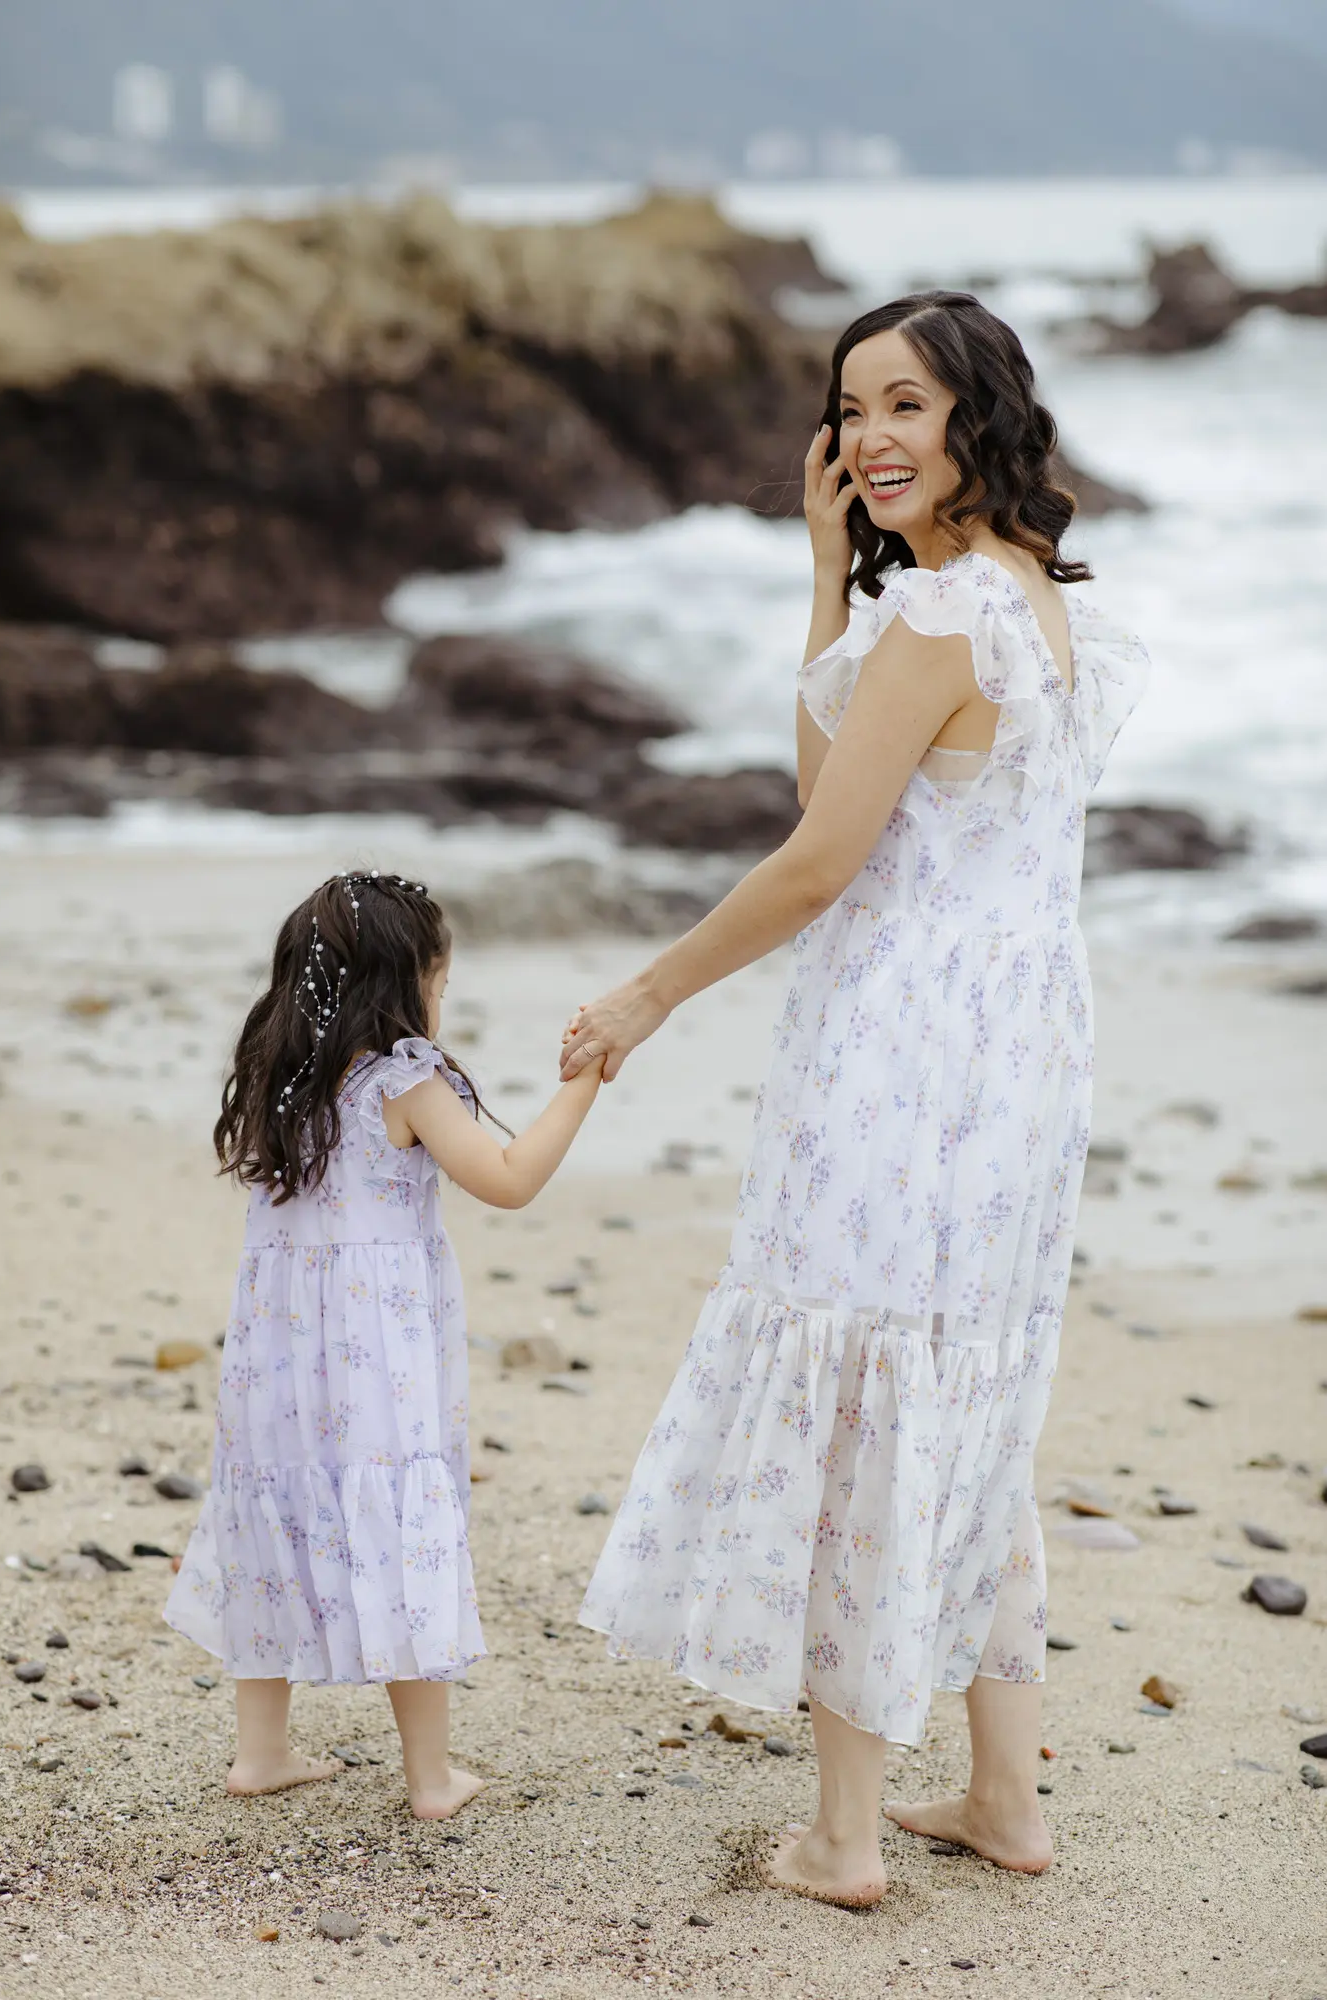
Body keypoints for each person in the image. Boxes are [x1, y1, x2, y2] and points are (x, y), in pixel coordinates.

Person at [561, 292, 1149, 1905]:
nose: (869, 437)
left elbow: (818, 856)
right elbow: (839, 788)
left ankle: (840, 1836)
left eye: (903, 403)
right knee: (964, 1392)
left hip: (903, 1057)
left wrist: (643, 994)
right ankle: (1002, 1802)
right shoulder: (1042, 606)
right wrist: (827, 574)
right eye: (848, 408)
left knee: (862, 1412)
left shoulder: (941, 619)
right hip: (1018, 1056)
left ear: (976, 413)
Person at [166, 871, 604, 1816]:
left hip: (279, 1362)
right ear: (403, 986)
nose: (442, 1004)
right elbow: (510, 1178)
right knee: (401, 1515)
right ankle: (431, 1776)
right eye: (440, 984)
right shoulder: (405, 1079)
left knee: (275, 1507)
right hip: (376, 1359)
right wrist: (585, 1085)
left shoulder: (284, 1084)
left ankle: (261, 1751)